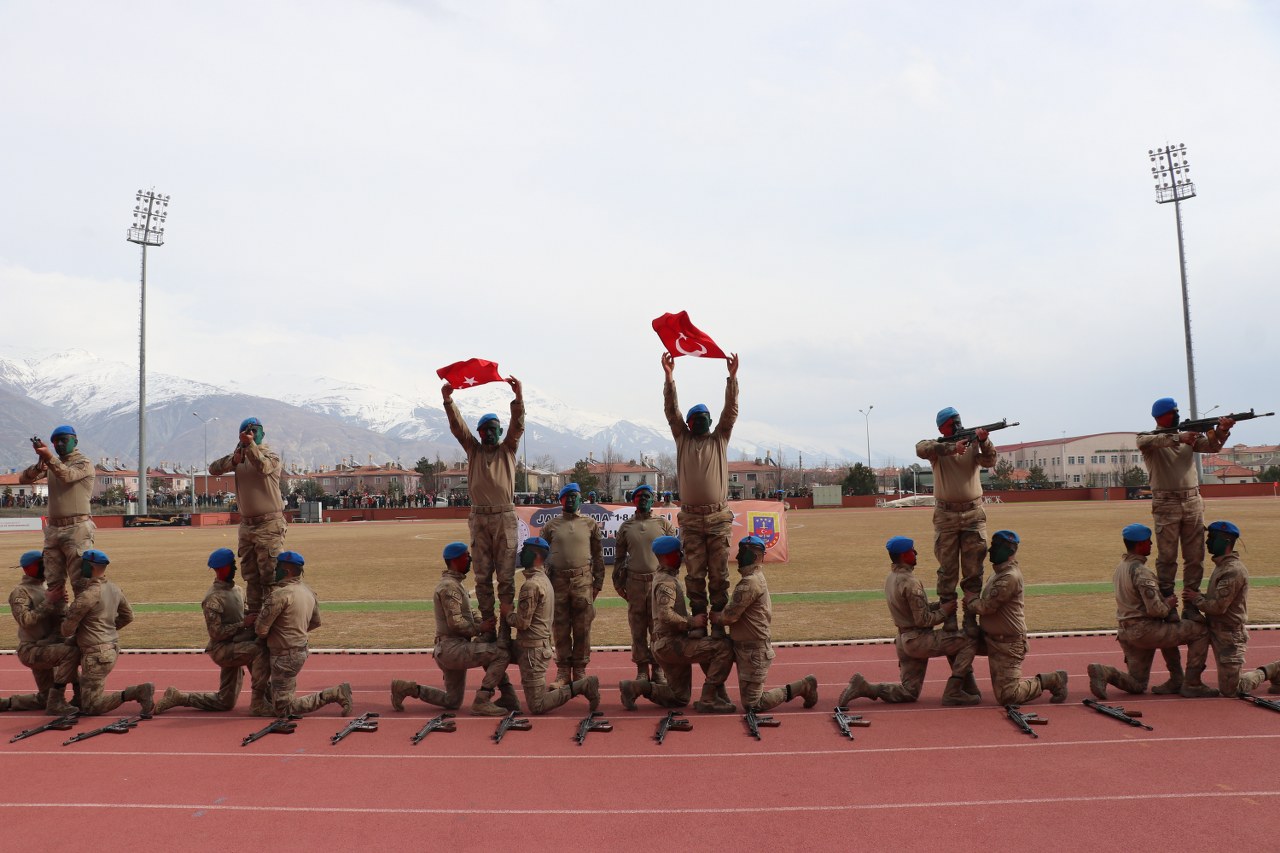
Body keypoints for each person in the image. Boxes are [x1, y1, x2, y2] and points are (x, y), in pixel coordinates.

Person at [838, 536, 978, 706]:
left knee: (908, 692)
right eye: (912, 551)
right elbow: (922, 619)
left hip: (904, 640)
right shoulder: (910, 583)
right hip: (919, 640)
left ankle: (866, 688)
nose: (915, 553)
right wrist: (944, 611)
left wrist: (936, 606)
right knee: (967, 639)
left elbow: (912, 610)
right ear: (904, 556)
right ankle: (954, 691)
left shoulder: (891, 578)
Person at [1086, 524, 1215, 700]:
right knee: (1200, 631)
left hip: (1127, 632)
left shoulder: (1120, 568)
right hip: (1145, 631)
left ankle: (1105, 672)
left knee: (1137, 684)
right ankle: (1192, 683)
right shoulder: (1141, 572)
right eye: (1148, 542)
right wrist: (1168, 604)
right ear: (1140, 545)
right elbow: (1156, 610)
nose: (1151, 544)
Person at [389, 543, 519, 717]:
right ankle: (483, 700)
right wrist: (480, 627)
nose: (469, 560)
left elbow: (468, 614)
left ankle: (407, 688)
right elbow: (456, 623)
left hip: (449, 648)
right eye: (466, 557)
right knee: (500, 654)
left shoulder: (456, 585)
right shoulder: (449, 587)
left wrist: (483, 623)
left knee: (452, 701)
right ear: (456, 560)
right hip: (452, 649)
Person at [661, 351, 739, 636]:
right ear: (691, 423)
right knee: (694, 575)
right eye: (698, 418)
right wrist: (669, 377)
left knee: (719, 575)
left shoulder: (720, 438)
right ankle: (698, 621)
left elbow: (730, 413)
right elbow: (672, 413)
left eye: (707, 417)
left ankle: (718, 621)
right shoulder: (682, 439)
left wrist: (732, 379)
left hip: (718, 518)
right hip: (692, 520)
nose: (704, 421)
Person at [443, 376, 524, 646]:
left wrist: (518, 397)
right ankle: (488, 627)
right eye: (484, 430)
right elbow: (458, 429)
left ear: (500, 432)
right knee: (482, 577)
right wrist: (448, 401)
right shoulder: (474, 451)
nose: (489, 433)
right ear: (479, 434)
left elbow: (517, 426)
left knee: (506, 577)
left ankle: (505, 630)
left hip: (504, 517)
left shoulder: (508, 450)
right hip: (479, 518)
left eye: (493, 429)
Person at [1136, 398, 1234, 621]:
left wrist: (1221, 430)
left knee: (1195, 556)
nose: (1177, 415)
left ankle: (1191, 605)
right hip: (1166, 503)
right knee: (1167, 557)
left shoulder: (1189, 438)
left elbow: (1213, 447)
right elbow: (1145, 441)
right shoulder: (1150, 438)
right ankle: (1168, 602)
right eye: (1173, 412)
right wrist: (1178, 437)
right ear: (1161, 416)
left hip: (1192, 502)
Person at [619, 536, 735, 713]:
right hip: (671, 644)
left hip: (664, 643)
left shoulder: (661, 576)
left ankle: (636, 688)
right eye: (677, 554)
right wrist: (691, 621)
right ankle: (709, 697)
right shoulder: (666, 583)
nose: (680, 557)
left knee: (679, 697)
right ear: (667, 556)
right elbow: (666, 616)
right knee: (722, 647)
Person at [153, 548, 271, 715]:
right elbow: (216, 633)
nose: (236, 568)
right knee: (258, 651)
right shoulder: (213, 598)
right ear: (222, 569)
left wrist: (250, 617)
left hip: (236, 645)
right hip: (223, 650)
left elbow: (238, 613)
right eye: (232, 565)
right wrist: (242, 624)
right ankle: (263, 699)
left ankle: (179, 697)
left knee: (225, 703)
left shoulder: (237, 590)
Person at [711, 535, 818, 712]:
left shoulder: (750, 583)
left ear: (754, 556)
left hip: (754, 651)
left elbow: (729, 617)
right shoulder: (752, 578)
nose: (737, 558)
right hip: (745, 647)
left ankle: (803, 686)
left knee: (753, 704)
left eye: (742, 553)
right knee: (748, 699)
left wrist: (717, 618)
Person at [915, 408, 996, 636]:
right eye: (952, 424)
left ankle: (970, 619)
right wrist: (952, 448)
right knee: (947, 571)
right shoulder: (938, 449)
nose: (958, 426)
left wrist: (984, 441)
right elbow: (920, 448)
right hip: (946, 516)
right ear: (942, 429)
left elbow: (990, 461)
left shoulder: (973, 444)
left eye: (958, 422)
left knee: (973, 571)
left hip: (973, 514)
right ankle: (949, 619)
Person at [963, 530, 1067, 704]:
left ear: (1010, 551)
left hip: (1008, 644)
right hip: (989, 638)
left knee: (1008, 696)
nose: (990, 551)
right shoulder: (997, 573)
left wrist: (970, 600)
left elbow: (987, 607)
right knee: (955, 642)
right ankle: (965, 687)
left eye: (996, 547)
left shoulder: (1009, 577)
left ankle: (1052, 680)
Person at [1180, 521, 1280, 697]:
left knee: (1232, 690)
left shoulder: (1232, 571)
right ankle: (1190, 683)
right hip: (1215, 628)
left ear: (1226, 541)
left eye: (1212, 538)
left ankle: (1272, 670)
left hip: (1229, 634)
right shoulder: (1222, 566)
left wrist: (1196, 599)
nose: (1207, 542)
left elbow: (1219, 607)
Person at [51, 550, 154, 716]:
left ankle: (136, 692)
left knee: (91, 707)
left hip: (96, 655)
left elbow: (66, 630)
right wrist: (107, 629)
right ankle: (81, 696)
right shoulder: (114, 589)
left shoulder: (88, 595)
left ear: (89, 566)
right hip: (110, 648)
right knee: (86, 700)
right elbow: (128, 616)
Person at [504, 537, 600, 714]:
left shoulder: (532, 585)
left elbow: (522, 622)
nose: (521, 555)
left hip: (533, 651)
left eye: (525, 552)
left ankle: (582, 686)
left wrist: (507, 614)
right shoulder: (544, 579)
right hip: (533, 647)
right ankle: (505, 693)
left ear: (536, 556)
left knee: (537, 705)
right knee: (497, 653)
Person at [254, 551, 352, 717]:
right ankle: (275, 695)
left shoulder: (280, 595)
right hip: (299, 650)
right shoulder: (308, 591)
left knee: (283, 709)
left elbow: (261, 630)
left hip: (284, 656)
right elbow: (316, 622)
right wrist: (294, 630)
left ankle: (334, 694)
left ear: (286, 571)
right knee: (281, 693)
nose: (275, 571)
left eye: (278, 567)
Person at [208, 417, 286, 620]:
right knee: (251, 576)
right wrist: (234, 459)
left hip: (269, 524)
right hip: (247, 526)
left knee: (270, 575)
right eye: (247, 432)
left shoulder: (271, 457)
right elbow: (213, 468)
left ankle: (272, 619)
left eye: (254, 431)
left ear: (261, 434)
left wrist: (250, 446)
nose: (251, 434)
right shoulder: (239, 459)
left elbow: (263, 467)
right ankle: (253, 616)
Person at [20, 425, 96, 601]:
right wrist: (41, 461)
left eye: (64, 440)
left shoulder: (83, 462)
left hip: (77, 528)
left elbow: (67, 475)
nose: (60, 444)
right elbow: (24, 478)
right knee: (53, 584)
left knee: (81, 584)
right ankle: (58, 624)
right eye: (55, 442)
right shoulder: (51, 463)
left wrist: (49, 457)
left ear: (75, 441)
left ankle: (82, 626)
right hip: (54, 529)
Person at [541, 483, 604, 687]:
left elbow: (598, 555)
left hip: (583, 582)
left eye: (574, 496)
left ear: (580, 499)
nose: (570, 500)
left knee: (582, 628)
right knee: (559, 628)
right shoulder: (550, 526)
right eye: (566, 497)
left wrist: (598, 584)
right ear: (560, 500)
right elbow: (541, 556)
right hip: (556, 582)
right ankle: (562, 671)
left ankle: (579, 670)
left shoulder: (590, 524)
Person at [612, 484, 676, 683]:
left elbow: (674, 556)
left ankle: (658, 668)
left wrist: (672, 581)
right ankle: (641, 669)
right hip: (635, 583)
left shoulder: (664, 525)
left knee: (658, 628)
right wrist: (619, 584)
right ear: (635, 501)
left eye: (648, 497)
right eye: (640, 497)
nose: (644, 500)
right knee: (638, 629)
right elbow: (619, 558)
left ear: (653, 500)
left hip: (658, 583)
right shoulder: (626, 527)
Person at [3, 550, 79, 713]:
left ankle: (7, 703)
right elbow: (25, 621)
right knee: (71, 653)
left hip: (48, 645)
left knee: (45, 698)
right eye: (44, 564)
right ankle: (69, 698)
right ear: (32, 568)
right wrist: (49, 602)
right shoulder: (20, 592)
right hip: (32, 650)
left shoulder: (45, 587)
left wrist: (61, 604)